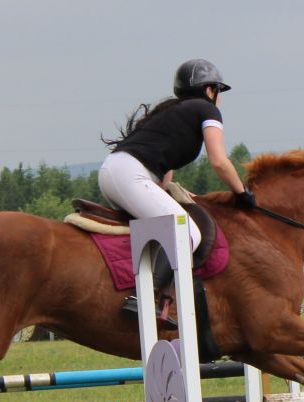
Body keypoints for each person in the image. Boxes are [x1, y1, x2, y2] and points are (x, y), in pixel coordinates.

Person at [99, 58, 257, 260]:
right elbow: (219, 161)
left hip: (113, 171)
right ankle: (153, 292)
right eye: (219, 91)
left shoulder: (172, 110)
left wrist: (164, 192)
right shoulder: (208, 109)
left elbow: (165, 170)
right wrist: (242, 192)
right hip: (130, 176)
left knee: (157, 233)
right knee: (187, 234)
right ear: (210, 90)